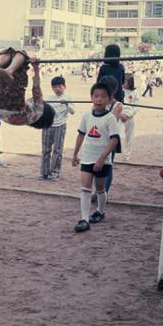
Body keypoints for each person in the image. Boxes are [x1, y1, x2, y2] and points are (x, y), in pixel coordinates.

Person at [71, 82, 119, 233]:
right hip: (87, 158)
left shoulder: (110, 118)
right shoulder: (86, 116)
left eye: (103, 97)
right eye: (96, 96)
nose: (99, 99)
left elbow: (114, 140)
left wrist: (102, 159)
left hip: (102, 161)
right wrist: (75, 154)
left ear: (109, 100)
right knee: (85, 188)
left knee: (99, 188)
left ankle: (100, 211)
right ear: (91, 97)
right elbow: (81, 134)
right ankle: (84, 219)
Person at [0, 48, 55, 129]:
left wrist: (36, 68)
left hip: (15, 103)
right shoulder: (26, 120)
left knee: (21, 54)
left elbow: (36, 90)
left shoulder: (39, 112)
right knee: (2, 79)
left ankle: (3, 68)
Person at [41, 76, 75, 180]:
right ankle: (45, 172)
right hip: (48, 125)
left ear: (64, 87)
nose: (57, 89)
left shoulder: (68, 98)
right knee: (45, 149)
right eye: (55, 87)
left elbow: (72, 111)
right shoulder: (49, 98)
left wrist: (66, 104)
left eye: (60, 86)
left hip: (60, 125)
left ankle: (55, 172)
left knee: (57, 150)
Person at [97, 75, 123, 194]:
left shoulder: (117, 105)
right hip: (98, 138)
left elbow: (113, 123)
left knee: (107, 164)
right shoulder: (99, 102)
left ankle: (104, 192)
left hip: (110, 139)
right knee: (96, 164)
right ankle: (98, 191)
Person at [120, 74, 138, 161]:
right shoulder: (119, 91)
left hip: (129, 117)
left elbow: (136, 107)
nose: (123, 83)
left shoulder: (134, 92)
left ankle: (127, 155)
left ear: (130, 82)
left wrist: (129, 115)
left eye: (125, 81)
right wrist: (120, 114)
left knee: (129, 137)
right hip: (119, 115)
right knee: (117, 135)